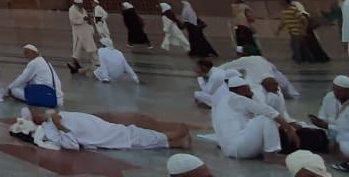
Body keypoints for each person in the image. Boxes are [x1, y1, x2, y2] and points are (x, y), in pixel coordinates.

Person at [27, 107, 190, 151]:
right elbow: (72, 145)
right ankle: (174, 137)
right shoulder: (50, 132)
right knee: (132, 137)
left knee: (132, 135)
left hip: (100, 126)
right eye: (37, 115)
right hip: (100, 135)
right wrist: (58, 124)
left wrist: (54, 118)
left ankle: (177, 143)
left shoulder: (51, 116)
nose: (39, 113)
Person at [211, 76, 296, 160]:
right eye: (248, 89)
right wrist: (288, 128)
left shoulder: (223, 101)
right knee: (267, 118)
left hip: (232, 148)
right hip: (238, 148)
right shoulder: (235, 98)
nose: (250, 91)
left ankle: (269, 151)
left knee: (264, 120)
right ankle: (271, 156)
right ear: (241, 89)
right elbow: (268, 111)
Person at [310, 75, 349, 165]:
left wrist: (327, 126)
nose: (336, 93)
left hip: (345, 137)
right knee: (307, 132)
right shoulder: (330, 96)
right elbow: (322, 114)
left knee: (343, 146)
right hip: (327, 132)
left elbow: (345, 128)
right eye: (334, 89)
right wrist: (318, 121)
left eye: (339, 91)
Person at [67, 0, 98, 75]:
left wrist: (90, 25)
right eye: (79, 4)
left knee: (90, 46)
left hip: (86, 30)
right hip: (78, 32)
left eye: (82, 4)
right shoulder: (72, 10)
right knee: (77, 47)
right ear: (75, 4)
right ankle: (74, 63)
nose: (81, 5)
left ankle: (95, 62)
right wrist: (83, 19)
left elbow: (87, 17)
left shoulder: (82, 8)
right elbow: (73, 21)